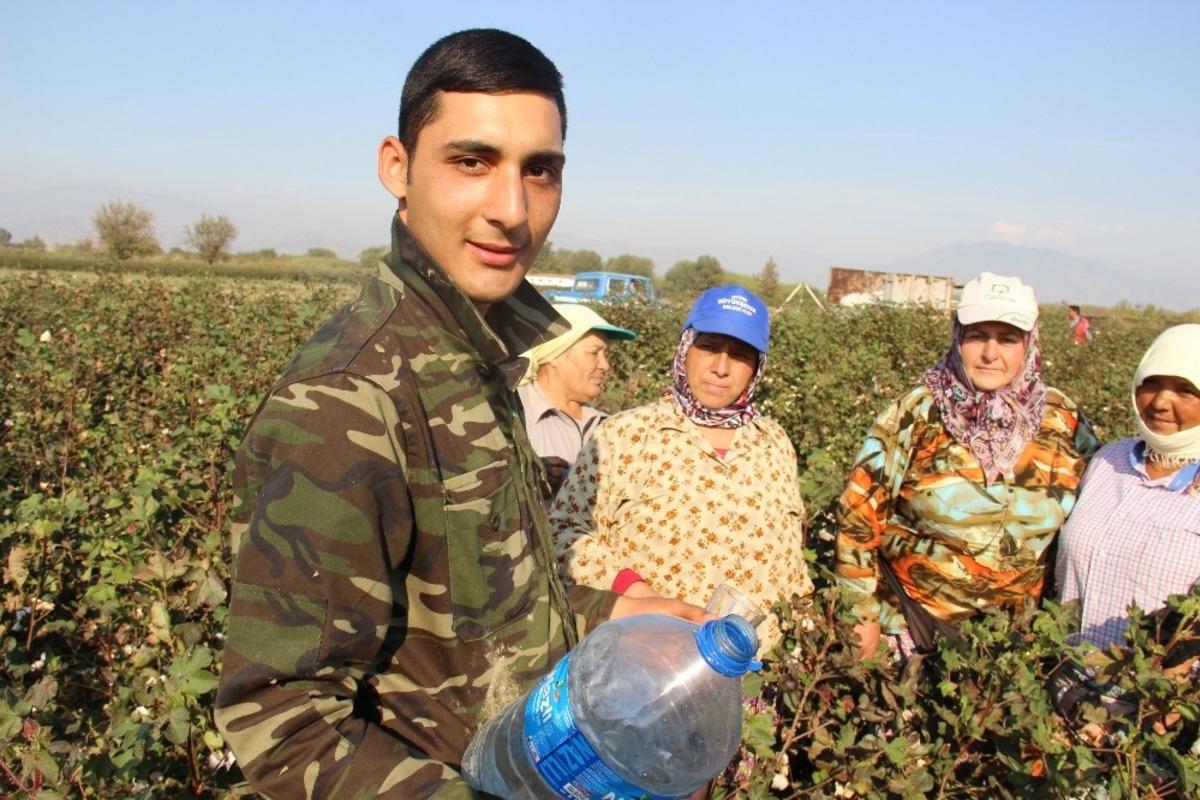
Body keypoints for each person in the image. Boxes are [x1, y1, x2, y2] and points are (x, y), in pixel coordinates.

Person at [214, 29, 703, 799]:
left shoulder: (474, 356)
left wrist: (608, 615)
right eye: (471, 161)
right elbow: (284, 720)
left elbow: (479, 609)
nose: (511, 209)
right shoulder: (352, 400)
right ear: (397, 168)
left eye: (539, 171)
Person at [836, 272, 1098, 659]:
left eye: (1007, 339)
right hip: (914, 627)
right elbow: (858, 513)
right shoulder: (919, 412)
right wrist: (861, 612)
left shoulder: (1061, 418)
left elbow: (1104, 487)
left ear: (1029, 343)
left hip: (1013, 642)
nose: (991, 353)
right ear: (958, 337)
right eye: (978, 336)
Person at [549, 286, 813, 650]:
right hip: (649, 657)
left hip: (758, 676)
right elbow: (563, 531)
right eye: (708, 347)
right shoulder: (628, 435)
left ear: (756, 368)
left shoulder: (774, 443)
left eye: (739, 355)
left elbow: (791, 561)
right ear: (685, 349)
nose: (721, 368)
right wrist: (637, 594)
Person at [1055, 324, 1200, 649]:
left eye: (1186, 390)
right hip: (1060, 682)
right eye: (1152, 384)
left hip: (1154, 695)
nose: (1161, 401)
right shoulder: (1109, 460)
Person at [518, 303, 636, 496]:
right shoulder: (513, 412)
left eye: (605, 354)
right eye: (594, 353)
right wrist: (529, 475)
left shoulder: (608, 425)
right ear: (554, 354)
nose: (604, 365)